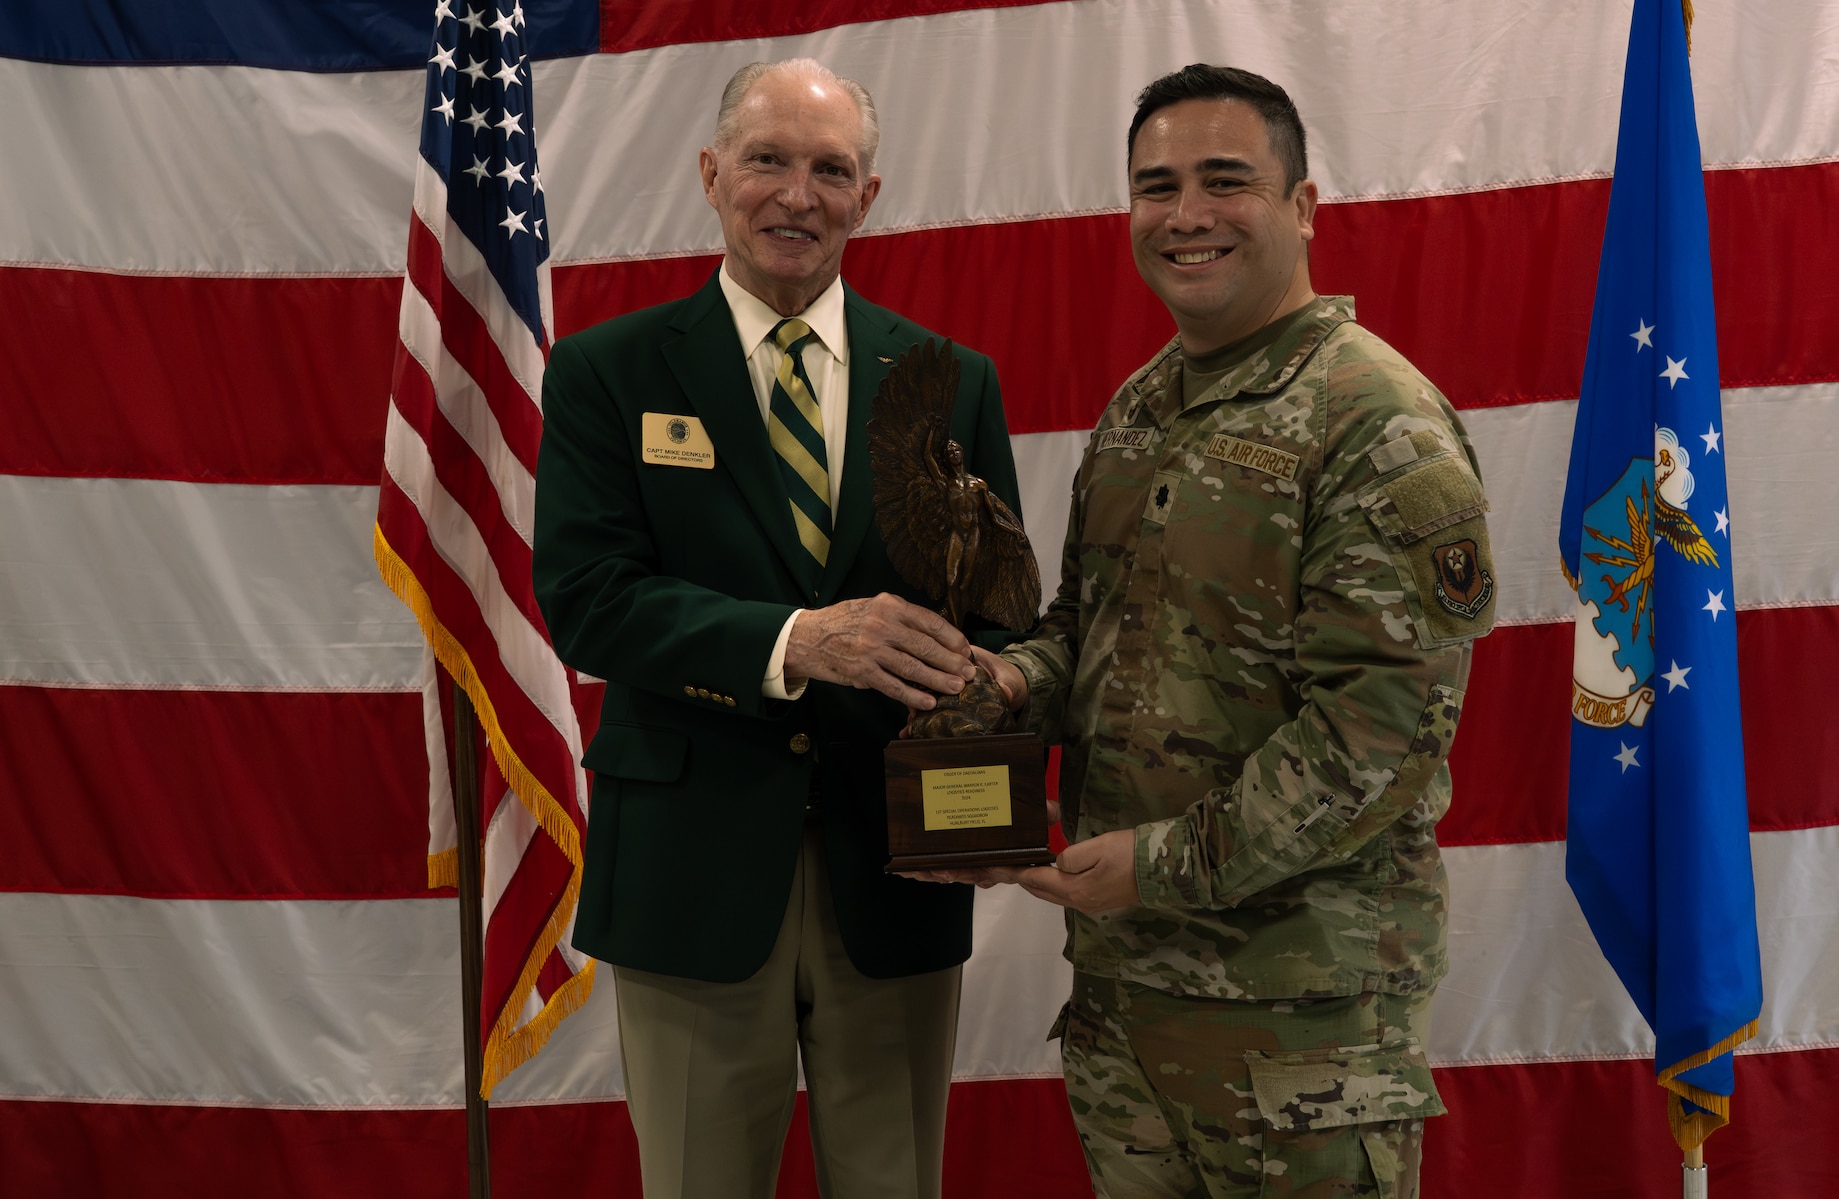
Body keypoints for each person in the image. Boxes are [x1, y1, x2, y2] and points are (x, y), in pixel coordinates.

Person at [974, 64, 1497, 1197]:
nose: (1186, 214)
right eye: (1154, 186)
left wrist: (1160, 864)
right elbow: (1089, 632)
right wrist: (999, 686)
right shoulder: (1139, 408)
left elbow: (1379, 734)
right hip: (1129, 1009)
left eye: (1226, 180)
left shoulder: (1375, 421)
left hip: (1298, 1031)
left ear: (1301, 206)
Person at [533, 58, 1023, 1199]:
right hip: (689, 872)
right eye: (767, 160)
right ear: (711, 175)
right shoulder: (608, 372)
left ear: (869, 194)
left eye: (829, 169)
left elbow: (998, 616)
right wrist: (795, 640)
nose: (796, 194)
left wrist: (1004, 708)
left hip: (895, 868)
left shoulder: (951, 382)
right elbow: (587, 598)